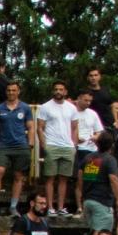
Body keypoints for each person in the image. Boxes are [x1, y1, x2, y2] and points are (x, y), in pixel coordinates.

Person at [0, 80, 34, 217]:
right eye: (9, 90)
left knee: (18, 176)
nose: (11, 93)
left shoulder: (25, 108)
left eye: (14, 90)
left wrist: (30, 143)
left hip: (21, 146)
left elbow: (30, 126)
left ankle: (13, 207)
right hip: (3, 146)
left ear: (18, 91)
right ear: (6, 92)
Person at [36, 81, 79, 215]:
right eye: (56, 89)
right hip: (52, 145)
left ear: (65, 91)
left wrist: (74, 145)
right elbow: (40, 127)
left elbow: (75, 127)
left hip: (67, 147)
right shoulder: (45, 107)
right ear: (52, 91)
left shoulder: (72, 108)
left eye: (61, 89)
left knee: (63, 179)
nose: (58, 92)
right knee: (50, 178)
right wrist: (44, 145)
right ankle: (50, 208)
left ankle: (60, 207)